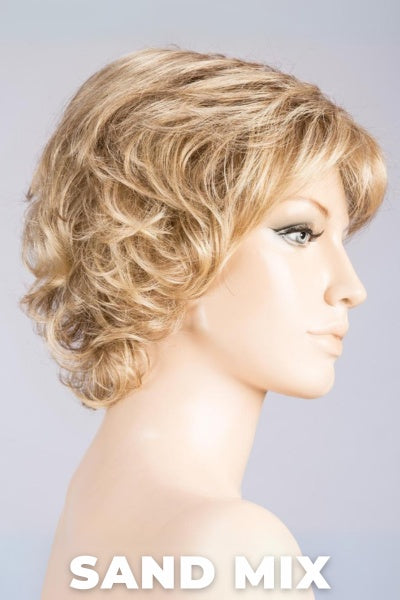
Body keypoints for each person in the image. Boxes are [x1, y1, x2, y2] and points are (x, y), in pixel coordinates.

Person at [20, 47, 387, 598]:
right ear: (166, 242)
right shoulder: (233, 543)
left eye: (341, 240)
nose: (350, 287)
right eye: (299, 233)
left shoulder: (98, 492)